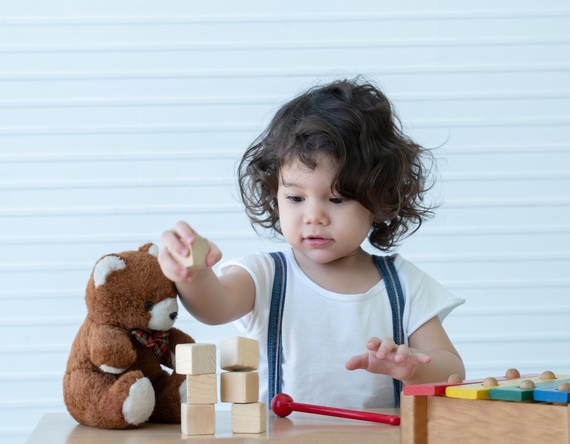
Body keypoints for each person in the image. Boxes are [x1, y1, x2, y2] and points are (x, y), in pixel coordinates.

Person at [158, 77, 465, 409]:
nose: (313, 216)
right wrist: (193, 271)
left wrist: (412, 366)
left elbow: (452, 369)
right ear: (274, 194)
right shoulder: (266, 275)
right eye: (295, 197)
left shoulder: (404, 285)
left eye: (336, 199)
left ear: (379, 203)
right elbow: (213, 307)